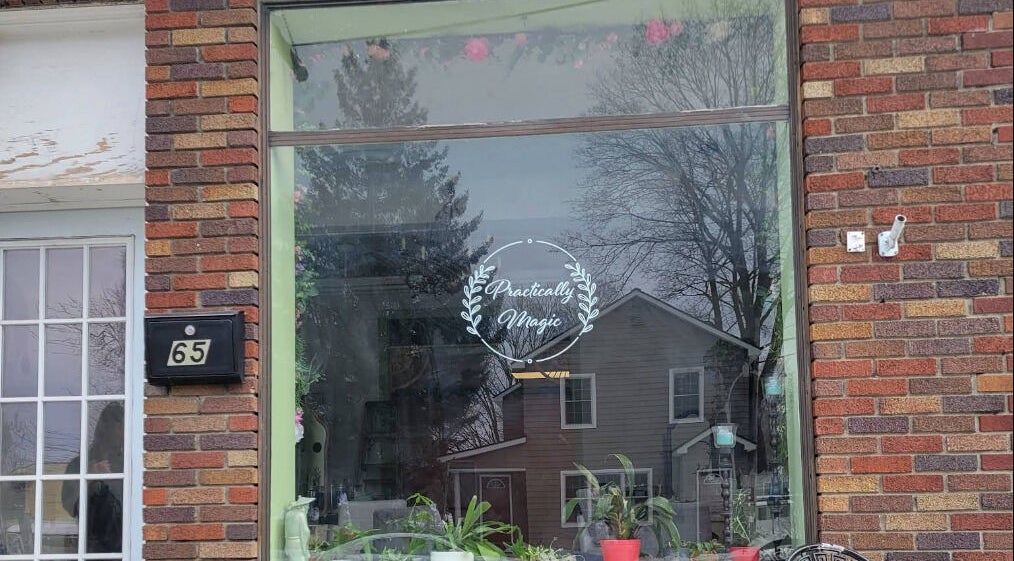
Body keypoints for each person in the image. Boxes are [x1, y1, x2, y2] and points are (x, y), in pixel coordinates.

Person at [61, 402, 124, 553]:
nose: (120, 438)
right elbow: (69, 506)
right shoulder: (79, 465)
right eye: (117, 431)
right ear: (102, 431)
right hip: (89, 547)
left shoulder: (127, 465)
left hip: (124, 545)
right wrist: (89, 478)